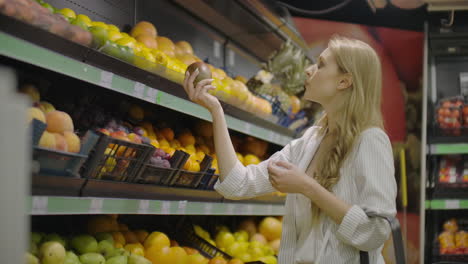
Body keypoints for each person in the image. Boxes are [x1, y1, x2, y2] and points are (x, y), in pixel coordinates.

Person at [183, 36, 397, 264]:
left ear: (344, 82)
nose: (309, 71)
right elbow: (238, 184)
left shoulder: (370, 141)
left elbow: (375, 232)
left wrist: (307, 187)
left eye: (321, 64)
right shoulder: (310, 141)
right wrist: (216, 111)